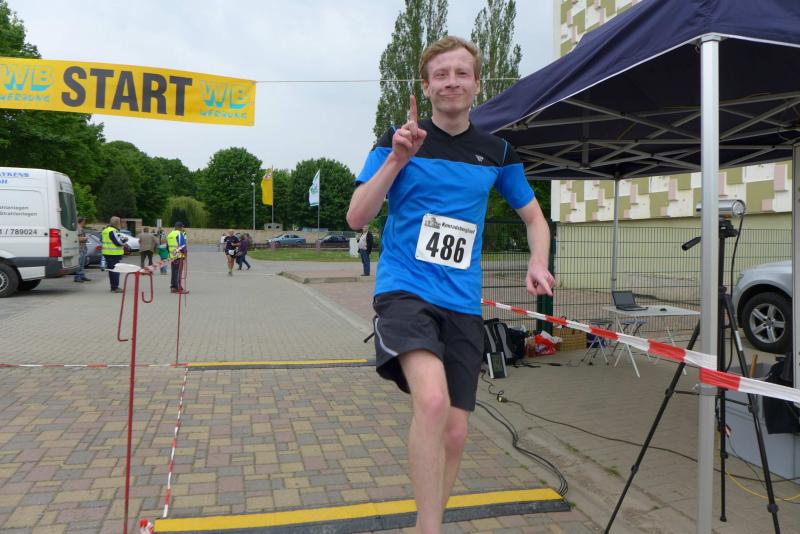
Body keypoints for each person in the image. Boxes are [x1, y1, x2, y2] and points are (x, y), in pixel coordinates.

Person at [346, 36, 554, 533]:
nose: (451, 82)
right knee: (433, 402)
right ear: (426, 86)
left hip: (461, 302)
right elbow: (356, 217)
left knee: (457, 432)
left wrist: (537, 260)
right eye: (441, 75)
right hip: (405, 291)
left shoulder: (496, 152)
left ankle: (428, 523)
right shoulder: (396, 140)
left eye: (461, 73)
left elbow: (535, 218)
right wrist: (397, 159)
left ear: (477, 83)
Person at [101, 216, 128, 293]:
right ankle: (115, 287)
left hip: (107, 252)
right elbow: (118, 242)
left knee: (111, 270)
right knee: (115, 270)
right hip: (114, 253)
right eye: (119, 222)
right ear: (117, 223)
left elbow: (102, 240)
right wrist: (124, 242)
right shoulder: (113, 231)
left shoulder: (105, 230)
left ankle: (113, 287)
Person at [167, 222, 188, 293]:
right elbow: (182, 246)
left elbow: (167, 246)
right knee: (178, 272)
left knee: (174, 272)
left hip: (172, 256)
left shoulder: (170, 234)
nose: (183, 228)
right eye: (182, 227)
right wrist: (185, 254)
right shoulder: (179, 234)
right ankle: (179, 288)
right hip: (179, 256)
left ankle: (173, 287)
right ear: (180, 227)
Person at [73, 216, 91, 283]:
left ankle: (82, 275)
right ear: (82, 221)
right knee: (79, 263)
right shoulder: (78, 228)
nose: (85, 222)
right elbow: (77, 238)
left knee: (82, 264)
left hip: (83, 248)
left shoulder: (81, 228)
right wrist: (85, 238)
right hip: (80, 248)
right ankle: (77, 277)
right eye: (84, 221)